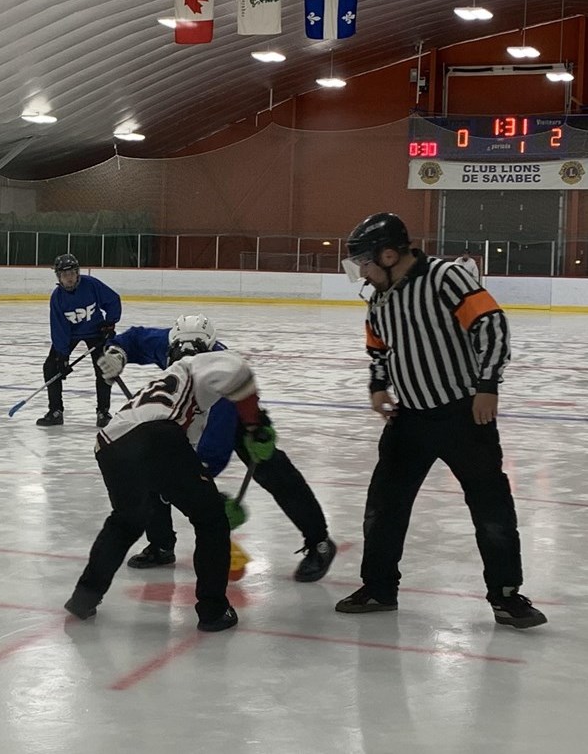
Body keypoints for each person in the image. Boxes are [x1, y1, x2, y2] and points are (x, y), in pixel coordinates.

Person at [335, 212, 544, 628]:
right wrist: (378, 384)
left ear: (390, 254)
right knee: (384, 506)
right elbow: (377, 344)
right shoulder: (381, 297)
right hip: (409, 419)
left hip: (463, 415)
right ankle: (378, 587)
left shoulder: (447, 278)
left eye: (365, 262)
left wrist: (487, 386)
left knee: (491, 508)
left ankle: (506, 595)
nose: (361, 271)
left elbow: (492, 326)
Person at [63, 323, 278, 632]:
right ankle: (213, 610)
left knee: (126, 522)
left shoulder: (165, 383)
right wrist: (255, 424)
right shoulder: (198, 364)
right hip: (158, 437)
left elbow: (173, 469)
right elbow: (239, 370)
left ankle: (84, 598)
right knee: (211, 520)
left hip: (109, 444)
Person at [97, 316, 336, 581]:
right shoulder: (168, 343)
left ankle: (319, 541)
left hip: (237, 411)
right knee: (154, 463)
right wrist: (117, 354)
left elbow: (212, 453)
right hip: (186, 408)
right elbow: (133, 338)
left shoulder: (217, 383)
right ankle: (161, 545)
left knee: (274, 471)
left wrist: (202, 492)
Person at [37, 253, 120, 428]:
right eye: (64, 275)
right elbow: (59, 329)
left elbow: (112, 300)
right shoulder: (57, 298)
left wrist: (110, 323)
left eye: (72, 273)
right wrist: (62, 356)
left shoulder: (91, 285)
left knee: (104, 367)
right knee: (51, 367)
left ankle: (103, 412)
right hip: (71, 334)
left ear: (78, 273)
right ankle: (55, 411)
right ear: (59, 277)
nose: (69, 278)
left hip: (96, 331)